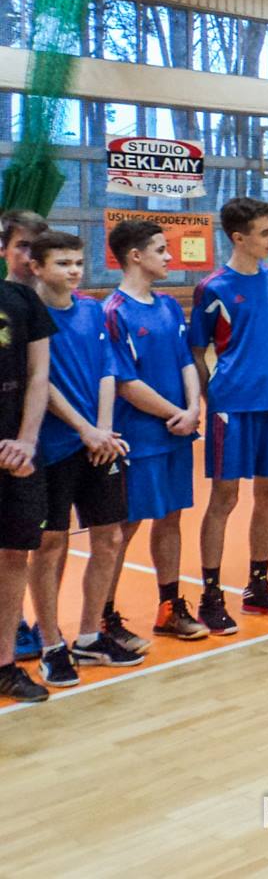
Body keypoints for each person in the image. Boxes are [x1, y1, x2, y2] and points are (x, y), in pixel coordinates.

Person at [29, 231, 139, 686]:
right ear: (37, 267)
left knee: (109, 538)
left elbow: (107, 369)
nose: (73, 270)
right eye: (62, 263)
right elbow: (42, 383)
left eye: (77, 262)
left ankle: (90, 636)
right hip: (55, 447)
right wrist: (84, 429)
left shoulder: (92, 310)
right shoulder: (32, 317)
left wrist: (104, 429)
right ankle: (51, 644)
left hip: (99, 442)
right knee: (51, 545)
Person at [190, 197, 268, 632]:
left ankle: (258, 586)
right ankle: (210, 595)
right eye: (265, 232)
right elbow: (197, 350)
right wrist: (211, 397)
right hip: (232, 407)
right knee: (224, 498)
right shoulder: (213, 288)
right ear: (239, 238)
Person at [103, 219, 208, 644]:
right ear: (135, 256)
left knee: (171, 518)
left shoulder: (167, 305)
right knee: (123, 528)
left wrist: (194, 407)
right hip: (138, 437)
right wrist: (176, 412)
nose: (169, 257)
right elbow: (125, 383)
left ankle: (169, 607)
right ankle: (103, 616)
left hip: (176, 433)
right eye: (161, 250)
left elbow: (187, 361)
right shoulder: (114, 312)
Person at [0, 257, 54, 702]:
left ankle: (4, 665)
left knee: (14, 554)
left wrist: (27, 441)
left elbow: (39, 375)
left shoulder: (21, 300)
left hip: (17, 451)